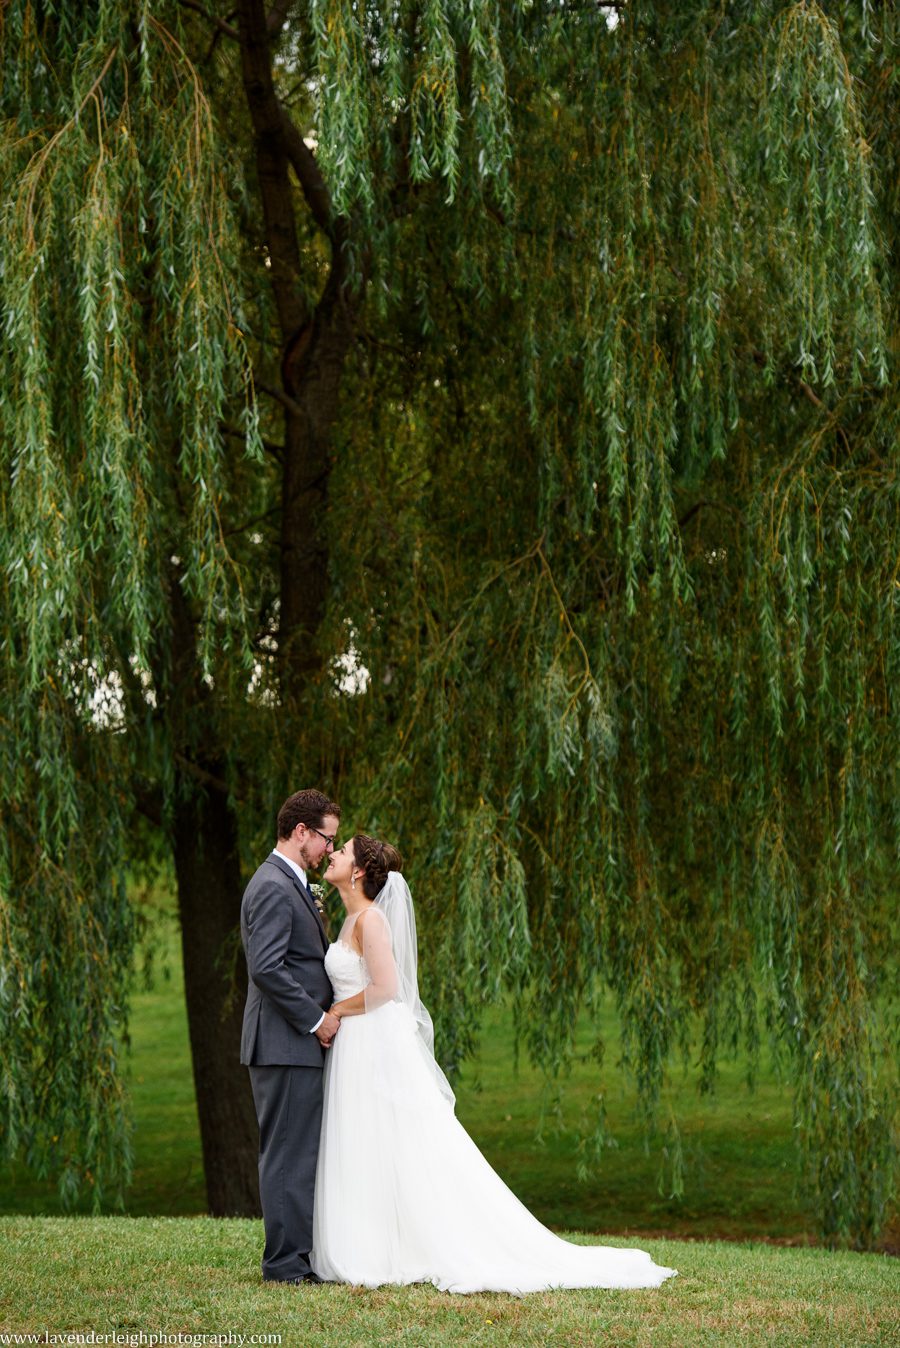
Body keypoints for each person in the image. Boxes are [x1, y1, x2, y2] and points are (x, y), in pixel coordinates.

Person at [311, 835, 677, 1295]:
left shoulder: (371, 921)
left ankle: (396, 1246)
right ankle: (374, 1242)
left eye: (341, 852)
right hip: (356, 1044)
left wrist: (338, 1012)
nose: (333, 856)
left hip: (370, 1040)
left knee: (395, 1140)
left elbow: (386, 989)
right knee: (367, 1140)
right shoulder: (348, 920)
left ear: (360, 871)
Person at [240, 788, 342, 1284]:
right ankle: (283, 1266)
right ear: (301, 832)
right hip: (283, 1041)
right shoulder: (274, 886)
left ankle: (296, 1259)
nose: (329, 849)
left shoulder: (292, 883)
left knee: (298, 1152)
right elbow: (266, 968)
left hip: (291, 1043)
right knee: (286, 1152)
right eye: (326, 838)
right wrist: (315, 1019)